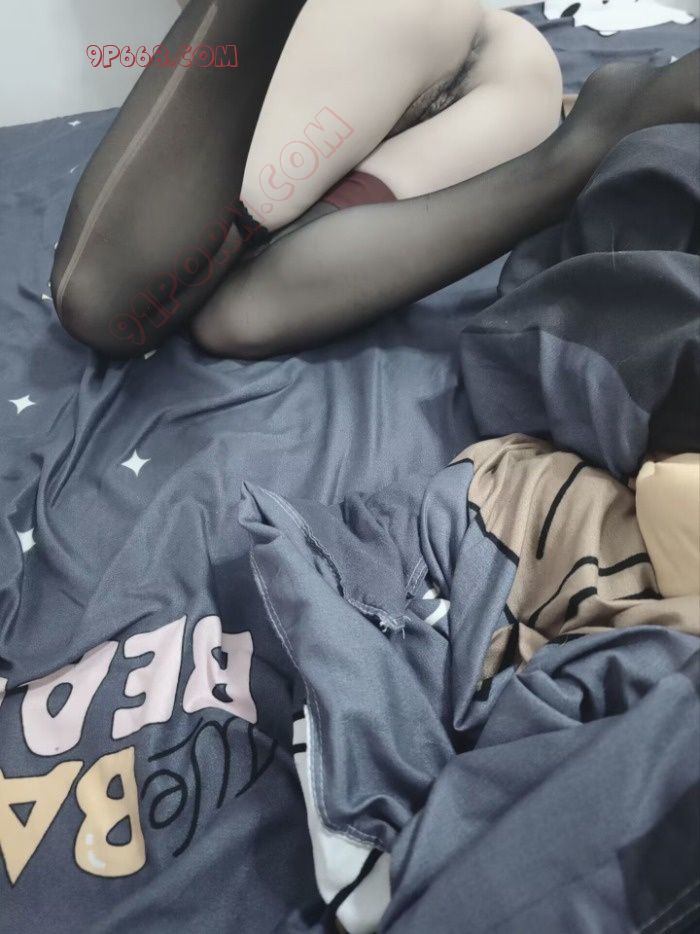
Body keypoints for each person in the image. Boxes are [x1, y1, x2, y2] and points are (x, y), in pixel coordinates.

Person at [51, 0, 700, 359]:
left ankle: (579, 152)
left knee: (108, 303)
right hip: (521, 79)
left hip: (414, 23)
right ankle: (578, 155)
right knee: (231, 318)